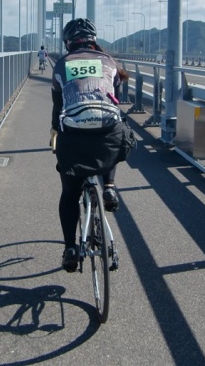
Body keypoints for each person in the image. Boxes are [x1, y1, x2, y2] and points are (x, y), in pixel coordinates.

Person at [50, 18, 136, 272]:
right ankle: (108, 186)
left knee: (69, 193)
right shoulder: (109, 62)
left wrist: (55, 131)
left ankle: (70, 249)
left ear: (68, 42)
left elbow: (58, 108)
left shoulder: (62, 64)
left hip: (74, 137)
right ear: (93, 40)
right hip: (107, 135)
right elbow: (116, 101)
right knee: (115, 132)